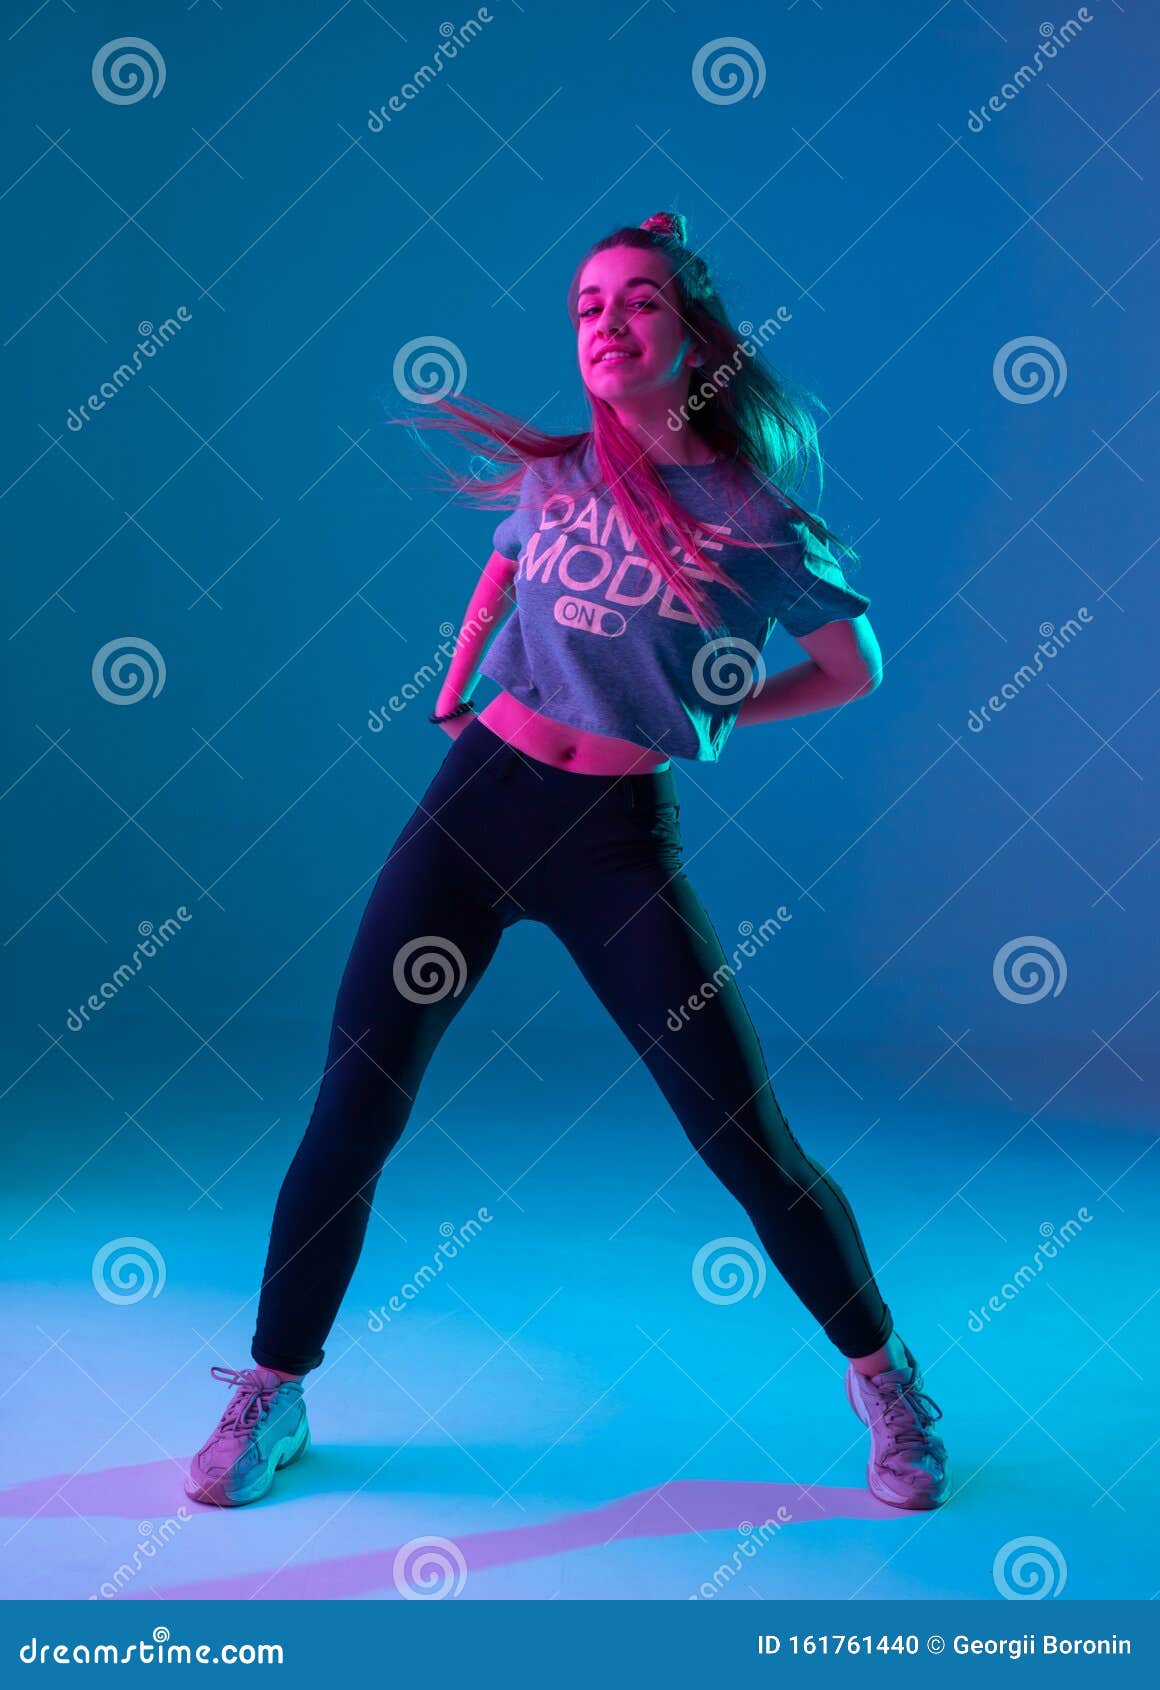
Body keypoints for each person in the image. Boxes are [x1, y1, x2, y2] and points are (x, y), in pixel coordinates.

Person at [185, 211, 949, 1515]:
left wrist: (706, 714)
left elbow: (850, 666)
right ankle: (274, 1384)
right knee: (354, 1104)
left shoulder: (750, 516)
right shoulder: (556, 478)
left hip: (610, 845)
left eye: (638, 301)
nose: (607, 322)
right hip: (471, 811)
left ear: (695, 337)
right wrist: (458, 674)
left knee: (739, 1131)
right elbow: (500, 571)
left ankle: (886, 1379)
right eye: (588, 304)